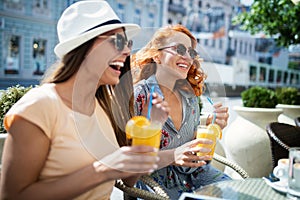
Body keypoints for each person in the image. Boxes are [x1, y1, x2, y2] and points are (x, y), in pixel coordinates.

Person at [0, 1, 169, 199]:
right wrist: (104, 170)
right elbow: (12, 196)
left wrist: (154, 127)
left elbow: (130, 179)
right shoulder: (39, 106)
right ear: (84, 47)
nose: (126, 51)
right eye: (117, 41)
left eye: (128, 43)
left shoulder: (105, 107)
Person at [132, 24, 231, 199]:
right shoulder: (139, 96)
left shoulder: (190, 97)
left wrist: (212, 129)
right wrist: (172, 155)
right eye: (179, 49)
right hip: (155, 185)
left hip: (198, 176)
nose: (187, 57)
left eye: (191, 53)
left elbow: (195, 152)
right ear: (157, 55)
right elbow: (128, 160)